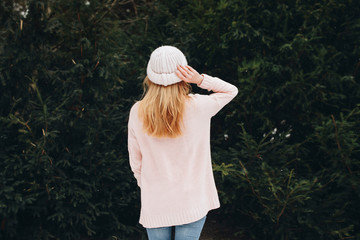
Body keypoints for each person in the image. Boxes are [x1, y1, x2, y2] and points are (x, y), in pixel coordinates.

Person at [128, 45, 238, 240]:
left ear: (149, 77)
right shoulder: (199, 106)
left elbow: (136, 161)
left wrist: (147, 185)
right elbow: (231, 91)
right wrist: (200, 80)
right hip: (192, 198)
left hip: (156, 200)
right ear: (183, 75)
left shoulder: (137, 111)